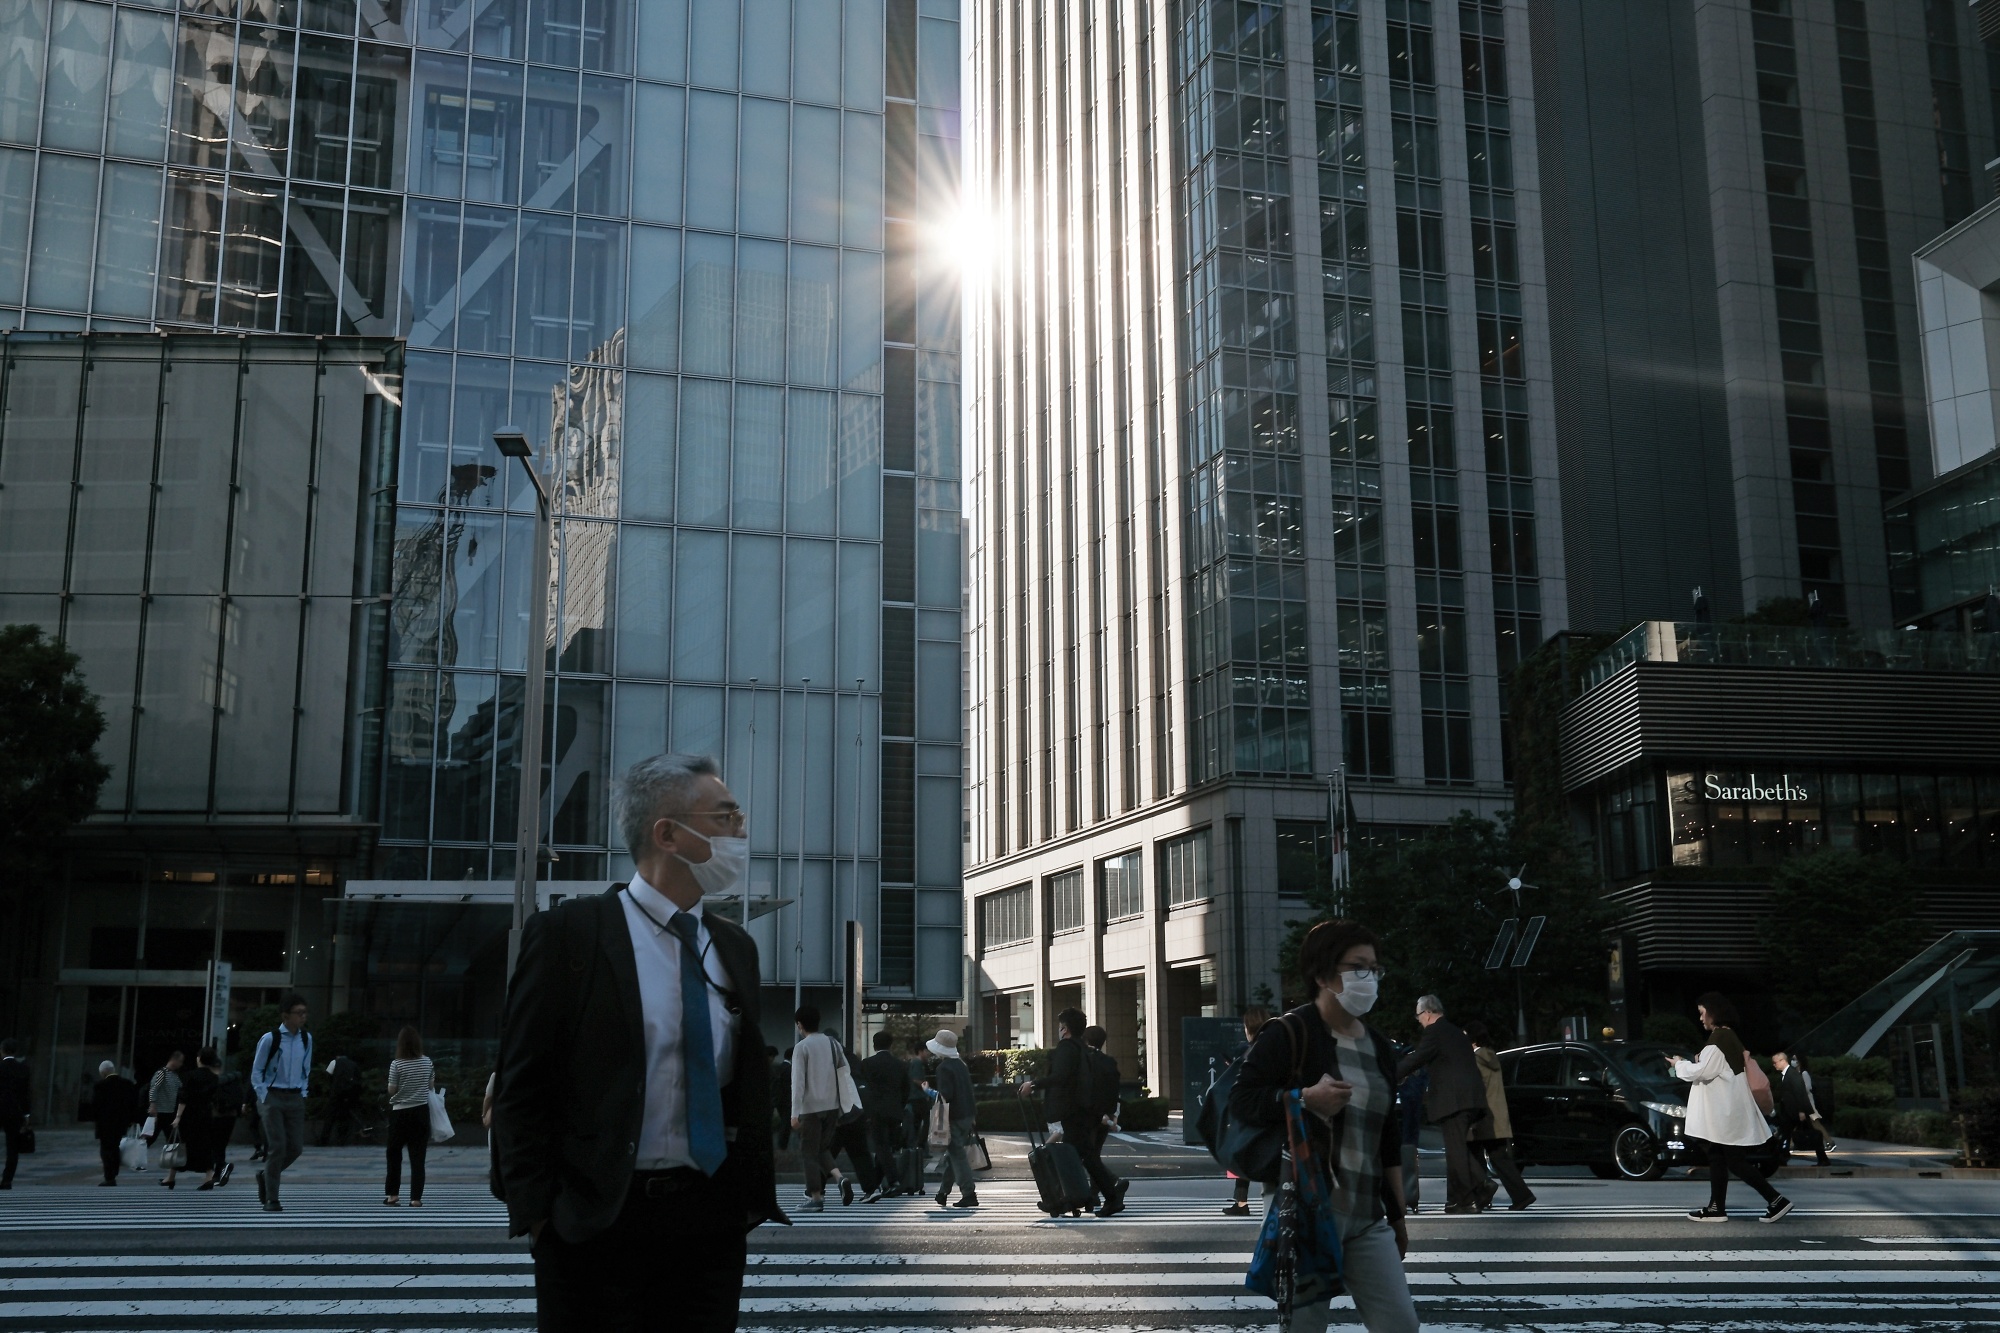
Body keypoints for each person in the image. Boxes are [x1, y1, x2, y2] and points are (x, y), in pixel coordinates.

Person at [493, 753, 784, 1333]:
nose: (741, 831)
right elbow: (521, 1082)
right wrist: (539, 1215)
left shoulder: (734, 948)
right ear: (668, 834)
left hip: (708, 1222)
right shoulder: (569, 936)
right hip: (597, 1219)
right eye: (726, 816)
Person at [1229, 920, 1417, 1333]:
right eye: (1358, 967)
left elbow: (1386, 1137)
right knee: (1304, 1328)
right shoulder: (1288, 1033)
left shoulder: (1380, 1046)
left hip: (1367, 1215)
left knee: (1400, 1325)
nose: (1370, 977)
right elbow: (1241, 1100)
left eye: (1375, 968)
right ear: (1322, 974)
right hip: (1306, 1212)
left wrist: (1398, 1217)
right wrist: (1302, 1099)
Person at [1668, 992, 1791, 1223]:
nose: (1701, 1019)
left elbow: (1703, 1071)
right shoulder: (1726, 1037)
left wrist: (1679, 1064)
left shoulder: (1719, 1039)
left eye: (1703, 1013)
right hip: (1726, 1110)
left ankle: (1776, 1200)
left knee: (1733, 1160)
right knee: (1718, 1156)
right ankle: (1717, 1208)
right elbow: (1713, 1068)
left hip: (1724, 1112)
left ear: (1714, 1012)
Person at [1020, 1008, 1126, 1217]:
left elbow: (1061, 1077)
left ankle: (1086, 1198)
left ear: (1065, 1028)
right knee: (1080, 1156)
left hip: (1074, 1111)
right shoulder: (1083, 1049)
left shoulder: (1067, 1048)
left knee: (1082, 1157)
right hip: (1086, 1110)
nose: (1059, 1029)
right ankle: (1070, 1198)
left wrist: (1034, 1084)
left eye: (1060, 1025)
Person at [1396, 994, 1488, 1214]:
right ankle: (1467, 1194)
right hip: (1472, 1097)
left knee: (1455, 1150)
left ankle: (1470, 1196)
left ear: (1427, 1013)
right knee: (1459, 1147)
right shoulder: (1457, 1032)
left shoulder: (1434, 1032)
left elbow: (1418, 1057)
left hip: (1453, 1099)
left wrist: (1392, 1073)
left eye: (1418, 1015)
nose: (1418, 1020)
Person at [250, 995, 313, 1213]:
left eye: (305, 1012)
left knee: (295, 1147)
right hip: (273, 1096)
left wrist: (303, 1091)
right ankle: (272, 1198)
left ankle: (266, 1175)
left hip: (295, 1096)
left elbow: (307, 1067)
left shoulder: (306, 1038)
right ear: (286, 1016)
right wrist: (263, 1095)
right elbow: (256, 1070)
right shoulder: (271, 1038)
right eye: (299, 1013)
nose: (303, 1017)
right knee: (277, 1147)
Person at [1463, 1020, 1533, 1211]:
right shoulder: (1491, 1057)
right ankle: (1521, 1195)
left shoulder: (1475, 1060)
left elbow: (1475, 1089)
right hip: (1497, 1116)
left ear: (1473, 1040)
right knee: (1500, 1158)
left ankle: (1483, 1195)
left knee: (1473, 1155)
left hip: (1482, 1117)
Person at [789, 1007, 853, 1211]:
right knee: (821, 1148)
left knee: (808, 1152)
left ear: (800, 1024)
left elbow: (798, 1083)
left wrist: (794, 1113)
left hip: (811, 1108)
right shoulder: (833, 1043)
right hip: (832, 1106)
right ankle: (840, 1178)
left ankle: (816, 1198)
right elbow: (845, 1071)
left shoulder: (802, 1047)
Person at [1223, 1007, 1272, 1216]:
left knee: (1243, 1155)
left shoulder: (1246, 1050)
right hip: (1272, 1110)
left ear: (1248, 1027)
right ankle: (1242, 1202)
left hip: (1250, 1112)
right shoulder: (1274, 1048)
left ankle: (1242, 1203)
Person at [925, 1028, 979, 1208]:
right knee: (954, 1155)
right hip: (967, 1115)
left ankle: (969, 1193)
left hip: (953, 1116)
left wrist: (928, 1091)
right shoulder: (961, 1065)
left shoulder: (943, 1068)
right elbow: (969, 1092)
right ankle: (943, 1192)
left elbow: (945, 1095)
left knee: (957, 1155)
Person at [858, 1031, 913, 1202]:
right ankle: (873, 1187)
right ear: (891, 1045)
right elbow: (906, 1090)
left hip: (875, 1111)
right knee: (886, 1148)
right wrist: (900, 1106)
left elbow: (862, 1088)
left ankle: (894, 1180)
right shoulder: (901, 1065)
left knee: (881, 1146)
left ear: (874, 1045)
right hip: (895, 1111)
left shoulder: (866, 1064)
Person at [385, 1025, 435, 1207]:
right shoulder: (427, 1061)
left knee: (394, 1154)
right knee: (418, 1156)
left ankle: (393, 1194)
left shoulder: (396, 1064)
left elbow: (392, 1089)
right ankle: (416, 1198)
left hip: (400, 1112)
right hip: (421, 1112)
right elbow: (430, 1085)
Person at [173, 1047, 232, 1191]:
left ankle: (172, 1174)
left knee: (182, 1144)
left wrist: (178, 1116)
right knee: (206, 1145)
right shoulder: (213, 1078)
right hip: (206, 1114)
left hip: (190, 1114)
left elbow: (183, 1097)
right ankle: (208, 1176)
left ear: (199, 1059)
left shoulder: (189, 1075)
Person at [1773, 1051, 1830, 1166]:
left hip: (1796, 1111)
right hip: (1791, 1111)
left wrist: (1801, 1111)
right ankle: (1783, 1156)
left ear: (1782, 1061)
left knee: (1808, 1133)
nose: (1774, 1065)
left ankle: (1822, 1157)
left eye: (1775, 1062)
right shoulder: (1789, 1074)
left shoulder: (1792, 1075)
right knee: (1786, 1133)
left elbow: (1800, 1093)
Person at [90, 1061, 137, 1186]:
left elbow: (95, 1106)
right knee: (115, 1146)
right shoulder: (127, 1084)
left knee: (105, 1149)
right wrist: (131, 1119)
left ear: (103, 1072)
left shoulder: (100, 1086)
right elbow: (132, 1104)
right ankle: (114, 1170)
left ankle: (109, 1176)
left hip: (104, 1123)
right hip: (121, 1123)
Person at [1394, 1061, 1426, 1215]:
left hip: (1400, 1110)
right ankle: (1409, 1196)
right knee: (1409, 1150)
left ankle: (1400, 1197)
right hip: (1410, 1108)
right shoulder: (1417, 1075)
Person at [146, 1050, 184, 1177]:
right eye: (180, 1061)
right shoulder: (161, 1073)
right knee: (151, 1138)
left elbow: (181, 1088)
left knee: (171, 1140)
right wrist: (152, 1104)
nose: (181, 1064)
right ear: (175, 1060)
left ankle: (174, 1166)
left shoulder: (174, 1075)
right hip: (160, 1112)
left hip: (169, 1112)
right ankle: (136, 1157)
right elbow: (154, 1088)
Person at [0, 1038, 27, 1190]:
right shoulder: (23, 1068)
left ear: (2, 1050)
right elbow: (25, 1094)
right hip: (15, 1112)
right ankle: (7, 1180)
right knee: (12, 1147)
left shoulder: (1, 1067)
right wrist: (27, 1114)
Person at [322, 1052, 363, 1146]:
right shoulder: (353, 1064)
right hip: (349, 1095)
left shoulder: (334, 1062)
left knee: (330, 1117)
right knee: (344, 1117)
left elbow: (328, 1075)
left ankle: (324, 1139)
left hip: (336, 1094)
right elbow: (358, 1078)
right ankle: (342, 1140)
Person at [770, 1047, 792, 1151]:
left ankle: (781, 1144)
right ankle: (782, 1145)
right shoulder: (790, 1069)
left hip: (778, 1099)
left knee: (784, 1121)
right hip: (787, 1100)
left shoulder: (778, 1067)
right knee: (786, 1123)